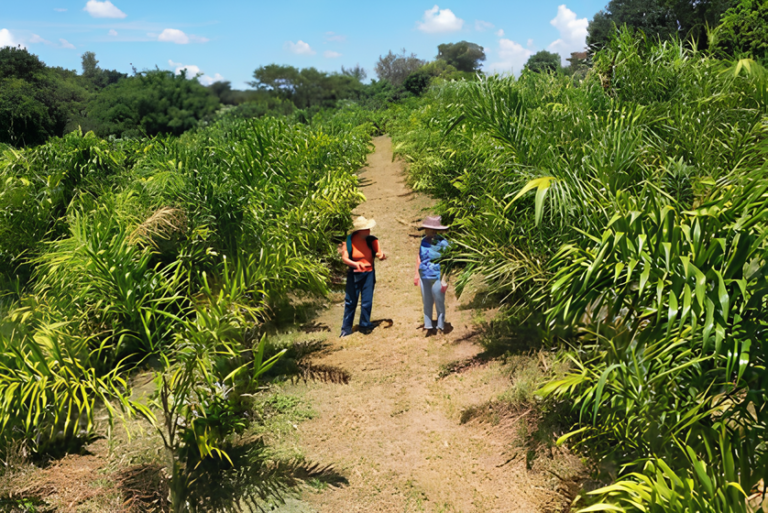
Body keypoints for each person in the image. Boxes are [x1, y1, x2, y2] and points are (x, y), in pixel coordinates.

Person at [340, 216, 387, 337]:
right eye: (366, 229)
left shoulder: (372, 240)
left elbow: (379, 253)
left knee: (367, 300)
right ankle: (346, 329)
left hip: (369, 273)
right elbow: (345, 258)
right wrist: (355, 264)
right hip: (354, 273)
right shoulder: (349, 241)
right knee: (351, 301)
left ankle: (365, 324)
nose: (369, 230)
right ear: (359, 231)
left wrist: (381, 255)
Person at [414, 215, 450, 336]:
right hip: (424, 275)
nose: (426, 231)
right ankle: (428, 325)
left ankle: (440, 326)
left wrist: (445, 279)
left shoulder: (443, 243)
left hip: (437, 276)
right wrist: (416, 274)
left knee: (439, 302)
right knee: (427, 301)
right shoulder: (423, 241)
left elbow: (448, 261)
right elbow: (419, 257)